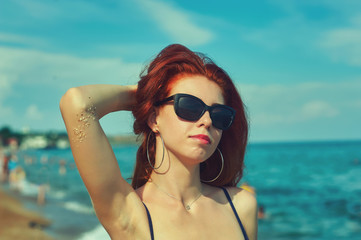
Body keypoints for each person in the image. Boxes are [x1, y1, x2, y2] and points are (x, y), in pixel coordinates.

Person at [60, 44, 257, 240]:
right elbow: (78, 104)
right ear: (155, 119)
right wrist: (144, 95)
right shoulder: (130, 212)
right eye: (189, 106)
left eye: (219, 115)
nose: (207, 121)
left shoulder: (241, 206)